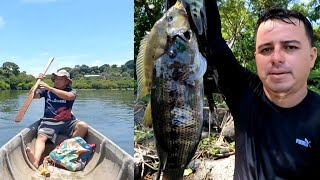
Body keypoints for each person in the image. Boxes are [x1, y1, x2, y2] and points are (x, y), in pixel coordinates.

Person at [205, 0, 319, 179]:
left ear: (312, 57)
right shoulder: (244, 92)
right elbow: (211, 38)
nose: (276, 58)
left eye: (290, 47)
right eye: (266, 49)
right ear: (256, 58)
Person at [26, 69, 88, 169]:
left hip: (67, 122)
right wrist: (37, 83)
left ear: (67, 81)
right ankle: (36, 161)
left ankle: (64, 152)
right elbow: (32, 96)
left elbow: (69, 97)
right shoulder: (46, 91)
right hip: (49, 121)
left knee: (83, 126)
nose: (57, 81)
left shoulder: (71, 91)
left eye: (60, 79)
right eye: (56, 79)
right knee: (41, 137)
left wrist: (50, 88)